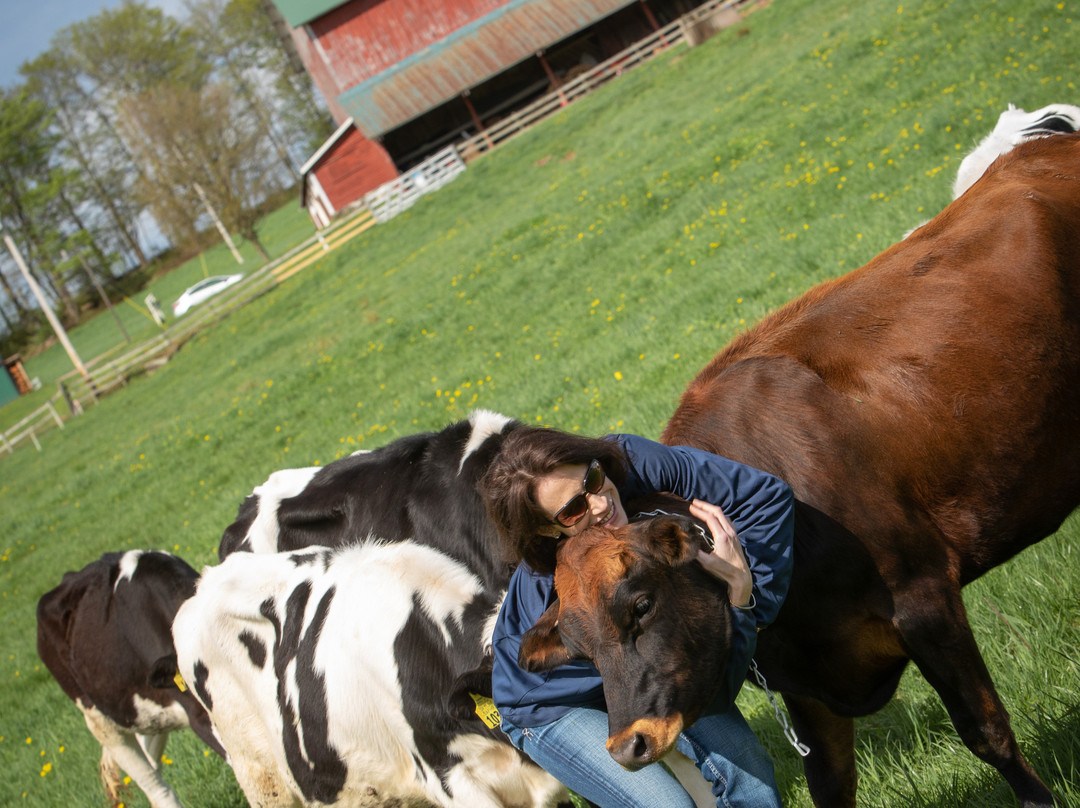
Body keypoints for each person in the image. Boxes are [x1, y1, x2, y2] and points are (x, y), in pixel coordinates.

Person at [479, 425, 795, 808]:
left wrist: (750, 592)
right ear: (548, 529)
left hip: (626, 660)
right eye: (573, 510)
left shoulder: (633, 461)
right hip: (549, 704)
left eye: (592, 479)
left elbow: (765, 497)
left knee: (747, 766)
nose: (599, 504)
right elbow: (714, 694)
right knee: (667, 806)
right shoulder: (556, 583)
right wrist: (739, 601)